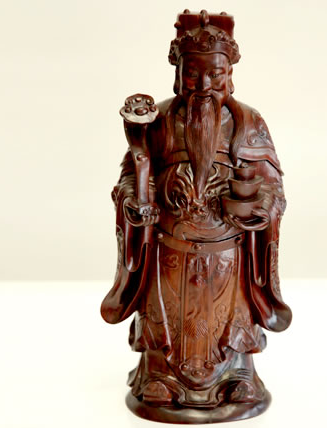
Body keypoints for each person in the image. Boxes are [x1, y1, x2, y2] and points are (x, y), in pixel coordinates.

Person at [101, 10, 292, 421]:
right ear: (178, 73)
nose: (204, 86)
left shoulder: (248, 124)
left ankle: (237, 375)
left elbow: (273, 188)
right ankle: (159, 376)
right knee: (164, 319)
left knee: (232, 320)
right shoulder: (159, 122)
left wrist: (261, 208)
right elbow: (129, 178)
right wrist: (134, 201)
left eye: (215, 75)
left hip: (229, 256)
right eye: (193, 75)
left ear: (230, 74)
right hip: (168, 253)